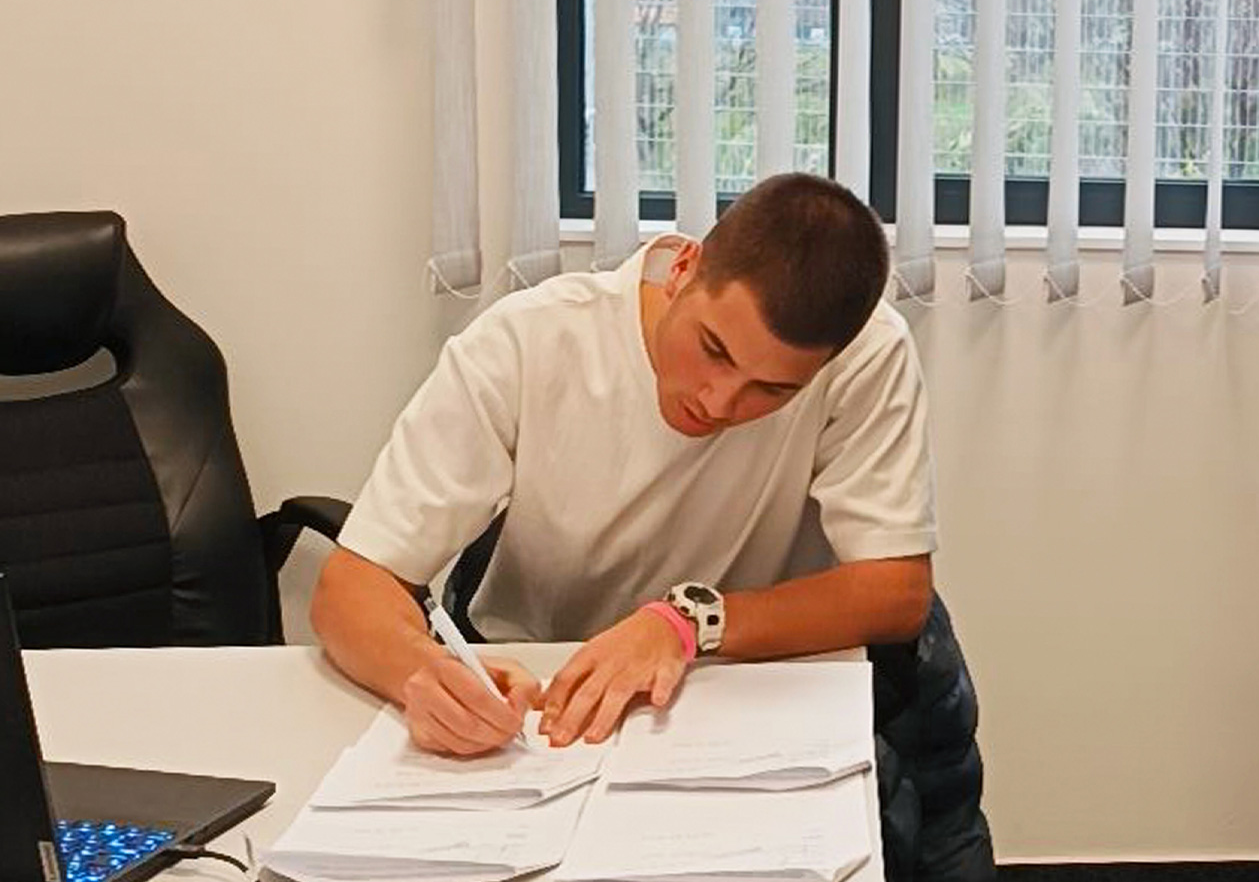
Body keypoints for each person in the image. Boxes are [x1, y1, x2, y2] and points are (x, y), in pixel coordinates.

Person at [311, 172, 935, 756]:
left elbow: (897, 592)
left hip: (741, 686)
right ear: (683, 269)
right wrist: (424, 673)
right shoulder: (529, 339)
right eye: (714, 350)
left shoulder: (867, 353)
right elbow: (352, 586)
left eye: (772, 390)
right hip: (541, 682)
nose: (719, 402)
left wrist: (686, 622)